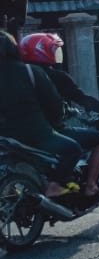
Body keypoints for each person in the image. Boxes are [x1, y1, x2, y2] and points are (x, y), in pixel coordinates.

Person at [19, 33, 99, 198]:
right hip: (49, 131)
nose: (57, 55)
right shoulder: (56, 76)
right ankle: (90, 186)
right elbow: (81, 98)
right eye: (54, 50)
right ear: (42, 51)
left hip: (23, 132)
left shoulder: (21, 75)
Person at [0, 31, 83, 198]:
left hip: (6, 138)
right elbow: (54, 105)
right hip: (37, 135)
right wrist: (59, 119)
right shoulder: (31, 71)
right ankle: (55, 186)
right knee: (73, 149)